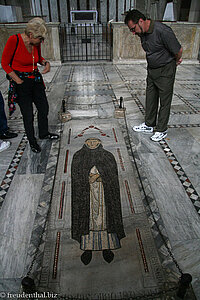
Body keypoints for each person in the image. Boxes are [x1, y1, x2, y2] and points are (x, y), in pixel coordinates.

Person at [1, 17, 59, 153]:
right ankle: (32, 142)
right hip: (20, 82)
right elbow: (5, 63)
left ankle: (44, 133)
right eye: (40, 39)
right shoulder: (13, 40)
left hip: (35, 80)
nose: (42, 41)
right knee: (28, 114)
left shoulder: (35, 44)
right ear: (31, 35)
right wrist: (17, 80)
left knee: (43, 107)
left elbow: (38, 58)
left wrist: (46, 63)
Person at [125, 9, 183, 142]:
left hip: (165, 70)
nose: (133, 33)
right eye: (131, 30)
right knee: (151, 98)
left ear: (141, 21)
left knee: (164, 101)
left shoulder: (163, 31)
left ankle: (161, 129)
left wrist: (176, 60)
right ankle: (149, 124)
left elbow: (178, 50)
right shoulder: (143, 33)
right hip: (152, 70)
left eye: (133, 29)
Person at [71, 138, 125, 265]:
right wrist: (86, 179)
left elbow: (112, 175)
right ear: (85, 143)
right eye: (89, 141)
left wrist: (99, 177)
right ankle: (87, 248)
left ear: (99, 143)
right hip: (87, 195)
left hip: (103, 195)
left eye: (95, 141)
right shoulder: (78, 156)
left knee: (104, 219)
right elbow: (76, 176)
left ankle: (107, 247)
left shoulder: (107, 156)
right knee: (88, 221)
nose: (92, 143)